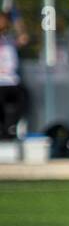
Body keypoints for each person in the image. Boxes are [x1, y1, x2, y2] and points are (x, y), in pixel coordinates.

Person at [0, 10, 29, 140]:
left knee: (22, 102)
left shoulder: (9, 40)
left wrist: (16, 19)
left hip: (11, 82)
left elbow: (23, 38)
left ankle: (9, 130)